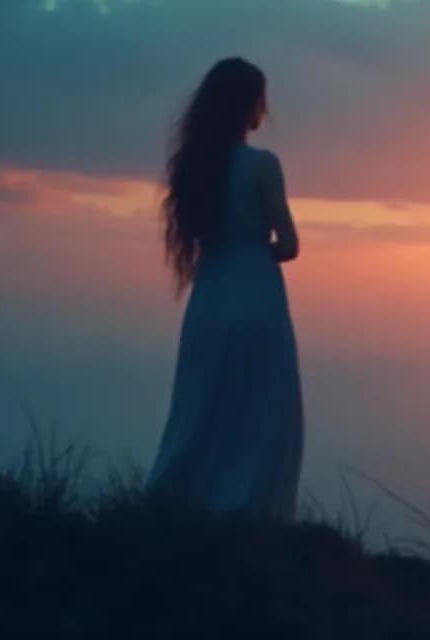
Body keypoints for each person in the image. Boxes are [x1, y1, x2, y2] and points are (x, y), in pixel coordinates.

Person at [147, 57, 303, 520]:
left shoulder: (192, 168)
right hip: (256, 293)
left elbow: (199, 237)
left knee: (202, 405)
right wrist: (256, 252)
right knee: (263, 410)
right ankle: (250, 512)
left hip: (210, 295)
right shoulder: (261, 164)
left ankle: (182, 503)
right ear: (249, 104)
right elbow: (289, 244)